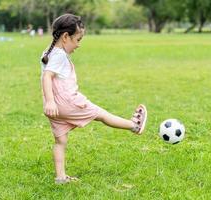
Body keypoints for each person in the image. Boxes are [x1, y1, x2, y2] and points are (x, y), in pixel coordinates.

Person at [40, 14, 147, 184]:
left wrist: (49, 102)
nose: (78, 45)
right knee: (102, 115)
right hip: (67, 102)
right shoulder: (59, 55)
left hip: (54, 109)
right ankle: (134, 125)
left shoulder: (49, 51)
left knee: (60, 141)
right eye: (78, 39)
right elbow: (47, 76)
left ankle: (60, 177)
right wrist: (52, 101)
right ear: (66, 37)